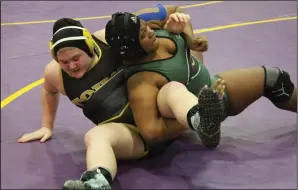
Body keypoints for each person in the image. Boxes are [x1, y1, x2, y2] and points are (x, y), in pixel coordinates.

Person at [17, 5, 212, 189]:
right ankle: (97, 181)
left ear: (89, 46)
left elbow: (169, 11)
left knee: (172, 89)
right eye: (64, 62)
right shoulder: (54, 73)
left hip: (160, 113)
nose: (71, 66)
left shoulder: (109, 37)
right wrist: (46, 126)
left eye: (76, 58)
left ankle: (202, 117)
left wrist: (181, 30)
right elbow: (48, 90)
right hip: (133, 137)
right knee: (95, 136)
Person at [105, 8, 297, 152]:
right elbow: (151, 131)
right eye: (142, 34)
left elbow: (178, 10)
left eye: (145, 26)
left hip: (200, 74)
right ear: (131, 48)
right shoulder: (142, 82)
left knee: (277, 79)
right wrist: (197, 118)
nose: (150, 31)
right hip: (208, 101)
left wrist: (189, 38)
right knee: (273, 79)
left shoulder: (151, 32)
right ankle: (202, 119)